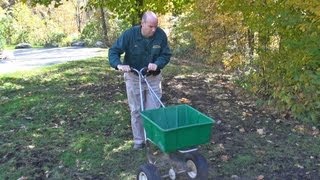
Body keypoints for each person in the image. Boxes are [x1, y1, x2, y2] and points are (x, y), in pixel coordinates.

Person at [108, 11, 172, 149]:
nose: (154, 29)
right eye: (150, 26)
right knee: (136, 110)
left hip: (152, 77)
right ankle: (139, 141)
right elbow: (114, 51)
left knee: (153, 110)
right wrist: (119, 65)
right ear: (142, 23)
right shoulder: (129, 35)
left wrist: (158, 63)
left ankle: (153, 139)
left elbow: (166, 54)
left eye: (156, 26)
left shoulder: (160, 35)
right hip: (134, 77)